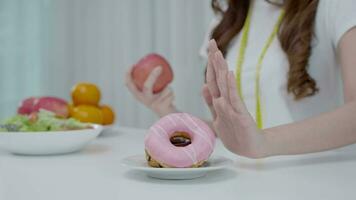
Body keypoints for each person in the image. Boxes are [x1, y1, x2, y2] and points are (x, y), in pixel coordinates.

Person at [126, 0, 356, 158]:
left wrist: (264, 142)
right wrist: (167, 110)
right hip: (243, 183)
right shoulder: (227, 18)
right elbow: (233, 135)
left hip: (316, 181)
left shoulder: (335, 5)